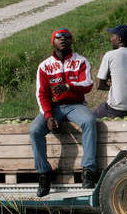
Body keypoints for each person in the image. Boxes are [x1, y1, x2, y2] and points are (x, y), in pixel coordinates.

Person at [30, 28, 97, 197]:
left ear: (71, 41)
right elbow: (42, 94)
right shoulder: (44, 66)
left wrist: (69, 86)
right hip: (54, 107)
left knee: (89, 121)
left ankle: (88, 170)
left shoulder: (81, 61)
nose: (63, 39)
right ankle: (44, 174)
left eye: (67, 37)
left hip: (75, 105)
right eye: (59, 37)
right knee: (35, 130)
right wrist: (48, 116)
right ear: (53, 41)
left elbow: (88, 84)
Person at [93, 24, 127, 118]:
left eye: (113, 36)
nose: (111, 39)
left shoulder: (110, 55)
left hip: (117, 110)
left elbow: (99, 85)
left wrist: (114, 86)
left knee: (90, 118)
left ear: (119, 39)